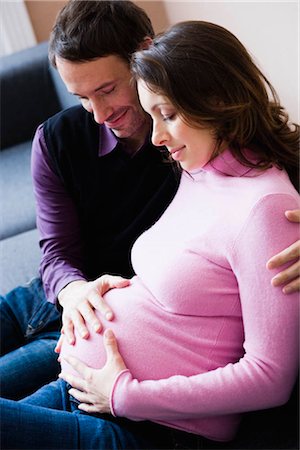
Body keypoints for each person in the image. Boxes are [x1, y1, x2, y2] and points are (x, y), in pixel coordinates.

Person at [1, 19, 299, 450]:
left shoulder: (266, 208)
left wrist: (126, 396)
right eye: (83, 97)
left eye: (169, 115)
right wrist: (90, 289)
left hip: (149, 426)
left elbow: (271, 377)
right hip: (81, 376)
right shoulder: (198, 167)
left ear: (216, 99)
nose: (157, 136)